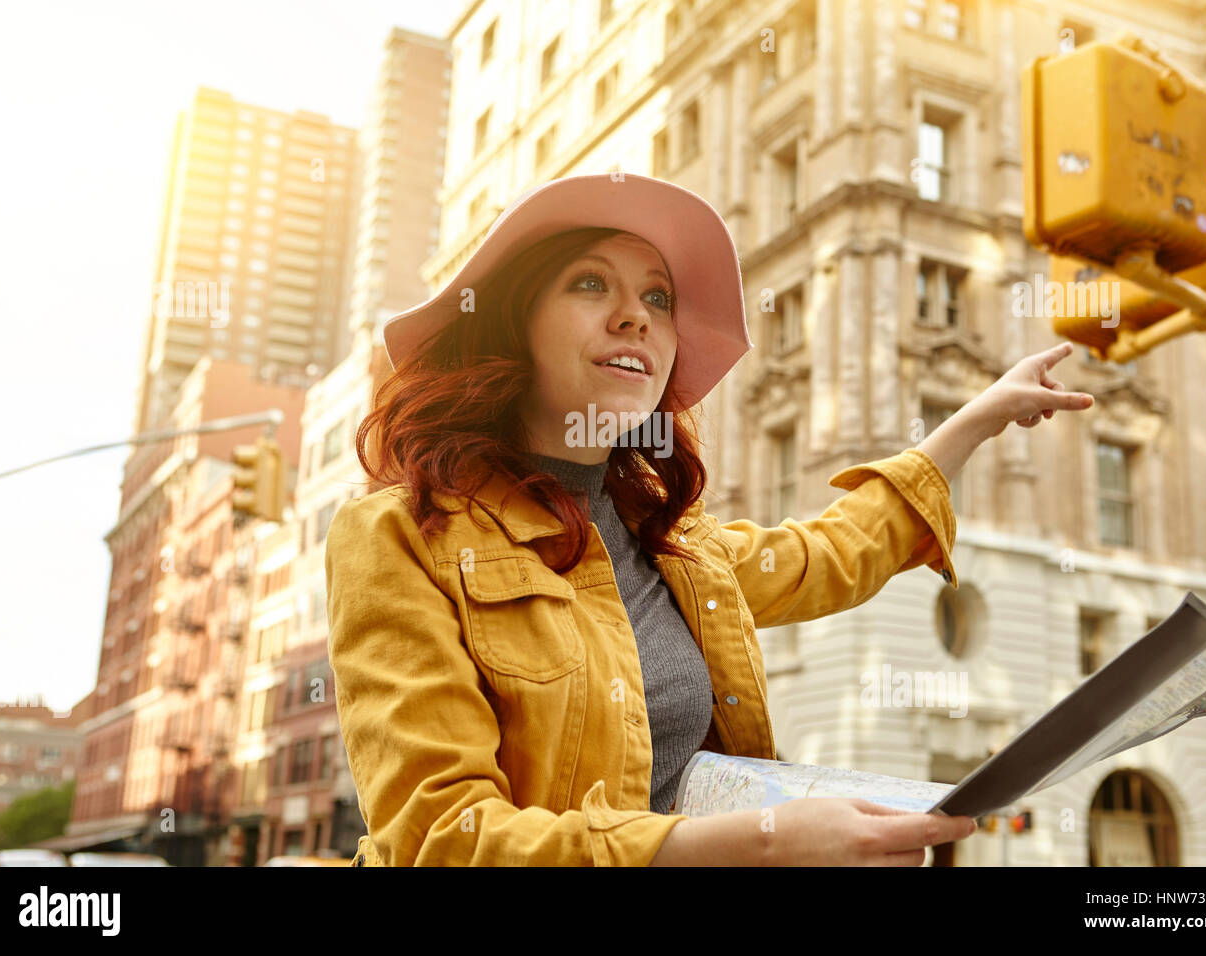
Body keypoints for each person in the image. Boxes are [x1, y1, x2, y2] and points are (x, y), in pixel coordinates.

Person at [324, 172, 1095, 866]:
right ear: (511, 324)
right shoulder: (395, 539)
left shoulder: (676, 545)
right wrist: (757, 845)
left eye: (658, 297)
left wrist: (979, 417)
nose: (637, 317)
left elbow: (834, 552)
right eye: (591, 283)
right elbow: (442, 839)